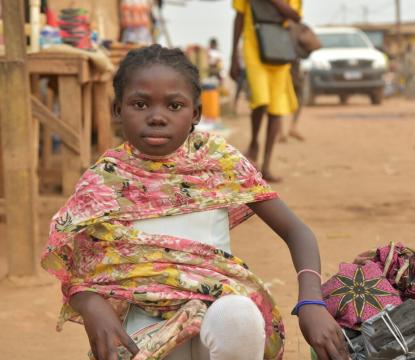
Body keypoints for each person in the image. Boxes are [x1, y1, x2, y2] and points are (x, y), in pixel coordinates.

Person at [41, 45, 348, 360]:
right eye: (140, 104)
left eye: (174, 106)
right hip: (140, 328)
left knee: (239, 317)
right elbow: (75, 268)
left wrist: (312, 301)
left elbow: (297, 232)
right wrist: (90, 303)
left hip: (218, 314)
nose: (157, 117)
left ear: (196, 114)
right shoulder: (103, 182)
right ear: (118, 110)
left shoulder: (216, 161)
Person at [230, 0, 300, 182]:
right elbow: (239, 17)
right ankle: (254, 143)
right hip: (254, 49)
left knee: (276, 110)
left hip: (280, 50)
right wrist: (233, 57)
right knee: (260, 101)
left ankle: (267, 166)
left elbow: (295, 16)